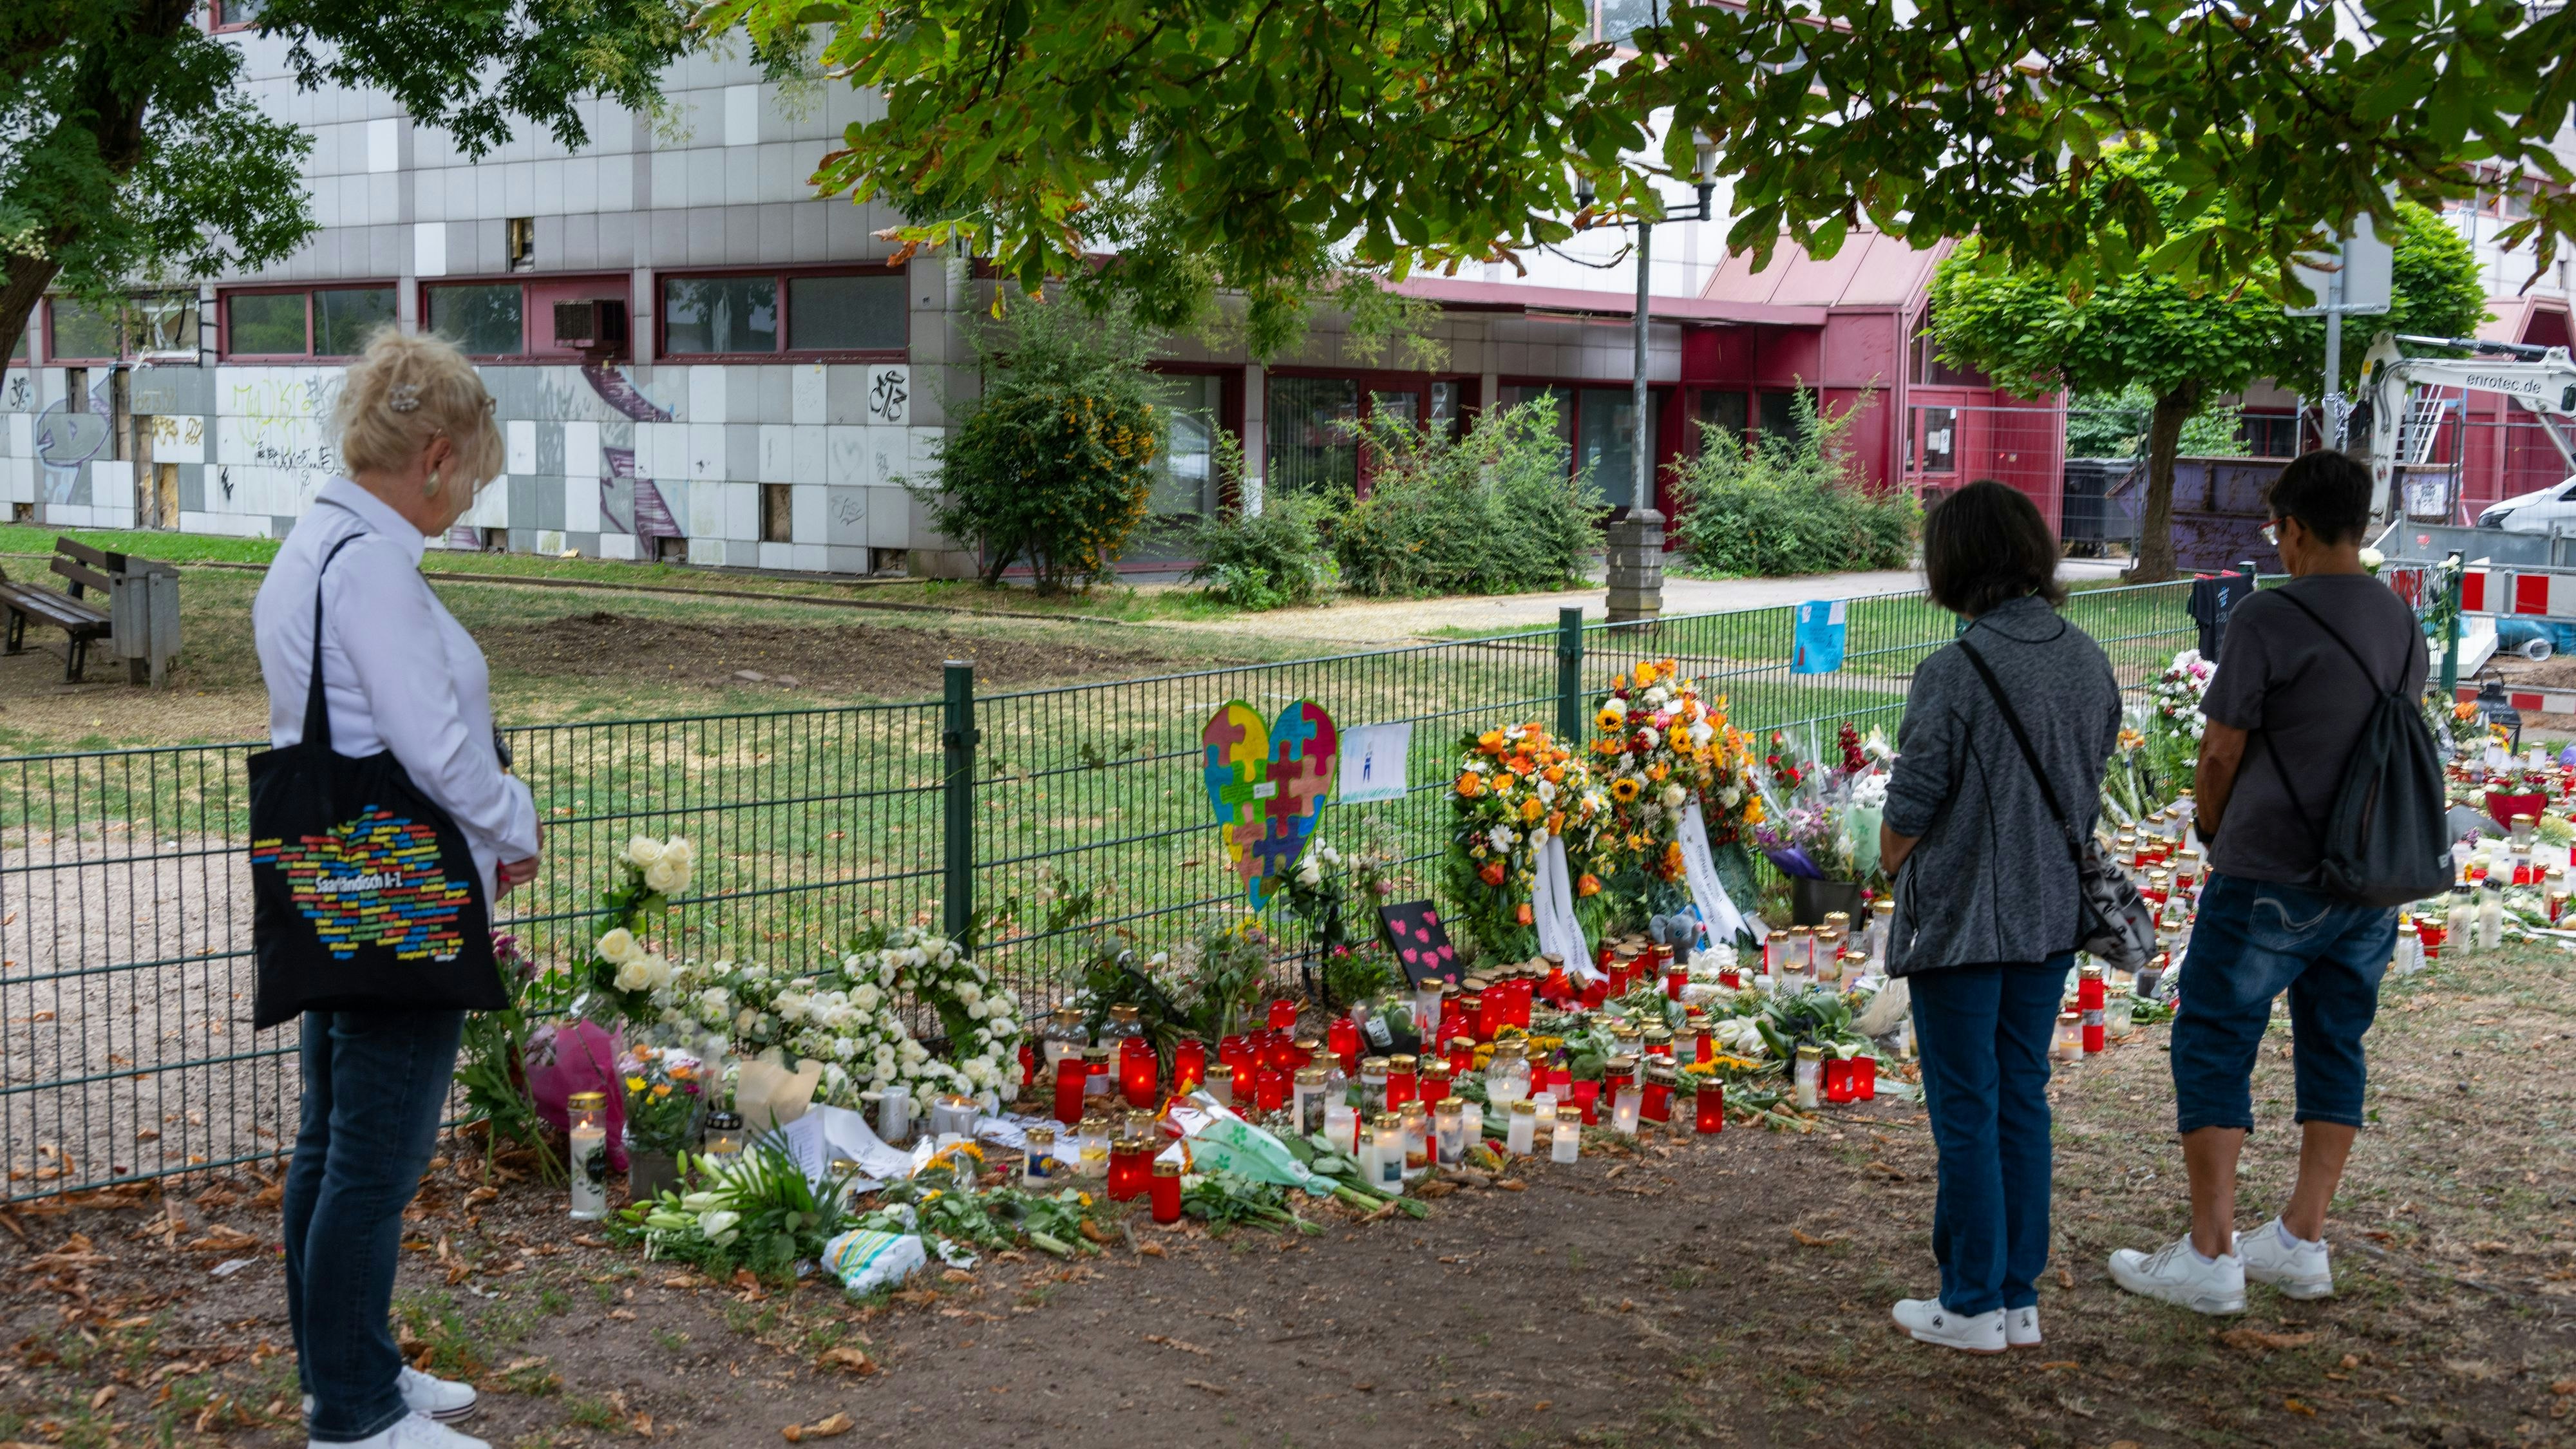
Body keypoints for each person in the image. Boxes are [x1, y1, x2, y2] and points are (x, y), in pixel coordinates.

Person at [255, 330, 540, 1449]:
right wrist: (512, 822)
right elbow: (436, 747)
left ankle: (350, 1368)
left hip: (336, 871)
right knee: (374, 1157)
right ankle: (357, 1416)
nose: (465, 500)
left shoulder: (318, 540)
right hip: (402, 882)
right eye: (469, 476)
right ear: (433, 455)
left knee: (334, 1141)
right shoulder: (372, 565)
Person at [2108, 449, 2425, 1314]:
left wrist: (2211, 827)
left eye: (2276, 528)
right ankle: (2301, 1239)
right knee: (2336, 1042)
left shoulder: (2264, 619)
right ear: (2358, 524)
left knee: (2213, 1037)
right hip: (2367, 877)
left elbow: (2220, 749)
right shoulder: (2403, 622)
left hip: (2268, 873)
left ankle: (2212, 1253)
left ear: (2290, 527)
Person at [1879, 480, 2122, 1354]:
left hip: (1963, 920)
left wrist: (1892, 850)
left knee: (1967, 1105)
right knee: (2021, 1096)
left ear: (1956, 564)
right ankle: (2016, 1294)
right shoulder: (2088, 656)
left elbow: (1914, 795)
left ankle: (1972, 1299)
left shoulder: (1956, 667)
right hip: (2050, 916)